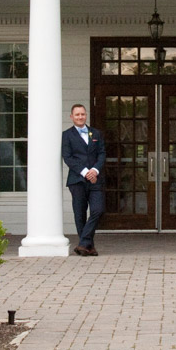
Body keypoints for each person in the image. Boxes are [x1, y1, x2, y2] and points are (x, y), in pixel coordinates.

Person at [61, 103, 105, 256]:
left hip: (95, 179)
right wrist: (85, 172)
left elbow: (102, 154)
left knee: (98, 210)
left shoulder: (96, 134)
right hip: (77, 180)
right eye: (77, 114)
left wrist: (94, 170)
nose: (80, 117)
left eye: (83, 114)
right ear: (71, 117)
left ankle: (83, 243)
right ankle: (88, 247)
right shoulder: (66, 135)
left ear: (86, 115)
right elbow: (68, 157)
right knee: (79, 213)